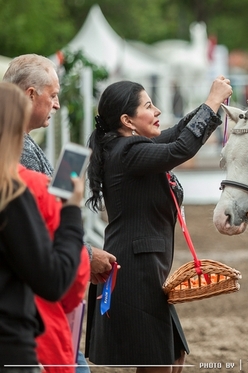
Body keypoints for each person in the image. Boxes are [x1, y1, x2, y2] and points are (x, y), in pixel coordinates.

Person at [84, 77, 232, 371]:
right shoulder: (128, 152)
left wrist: (210, 105)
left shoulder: (133, 146)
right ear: (127, 120)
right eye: (149, 106)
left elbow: (178, 134)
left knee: (174, 357)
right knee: (159, 363)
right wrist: (212, 102)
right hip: (133, 272)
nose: (158, 111)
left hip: (146, 269)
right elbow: (181, 149)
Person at [3, 53, 116, 371]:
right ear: (29, 95)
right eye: (53, 95)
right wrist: (84, 250)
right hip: (32, 318)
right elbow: (38, 238)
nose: (56, 104)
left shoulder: (22, 147)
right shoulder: (16, 164)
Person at [0, 82, 85, 371]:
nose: (57, 104)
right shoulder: (12, 191)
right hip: (11, 343)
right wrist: (72, 211)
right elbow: (54, 280)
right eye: (54, 95)